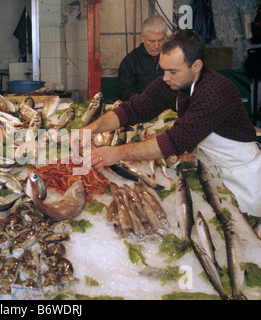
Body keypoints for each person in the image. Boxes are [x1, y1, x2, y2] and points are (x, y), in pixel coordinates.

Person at [73, 29, 261, 217]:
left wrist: (116, 153)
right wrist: (92, 128)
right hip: (212, 167)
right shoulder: (173, 83)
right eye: (163, 70)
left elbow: (174, 142)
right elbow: (132, 109)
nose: (165, 77)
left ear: (196, 66)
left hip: (240, 173)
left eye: (173, 71)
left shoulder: (214, 91)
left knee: (247, 229)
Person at [117, 15, 167, 101]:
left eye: (161, 40)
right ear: (142, 38)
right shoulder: (130, 61)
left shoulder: (172, 58)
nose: (156, 46)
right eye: (151, 41)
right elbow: (124, 91)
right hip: (141, 109)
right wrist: (144, 102)